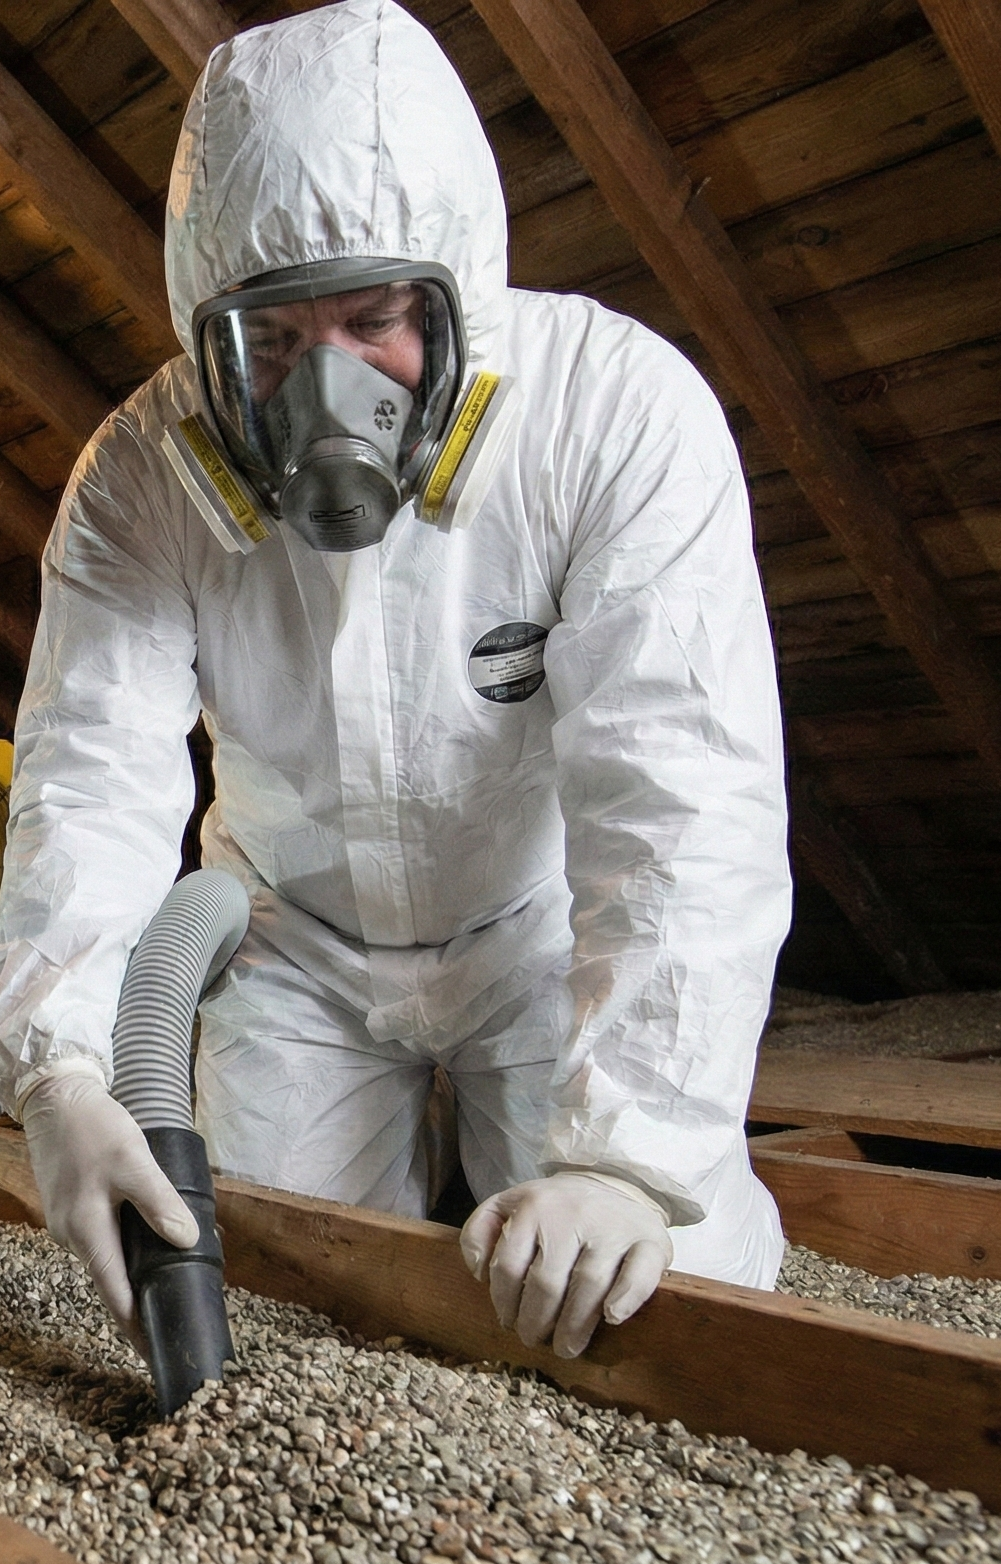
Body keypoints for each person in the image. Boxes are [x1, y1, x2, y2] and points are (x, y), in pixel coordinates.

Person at [0, 0, 791, 1362]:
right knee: (294, 1295)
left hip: (534, 932)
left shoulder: (612, 417)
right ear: (213, 342)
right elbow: (91, 775)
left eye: (375, 323)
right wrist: (61, 1070)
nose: (334, 399)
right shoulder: (143, 478)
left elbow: (682, 790)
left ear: (456, 293)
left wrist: (632, 1161)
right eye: (282, 347)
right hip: (290, 947)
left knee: (673, 1283)